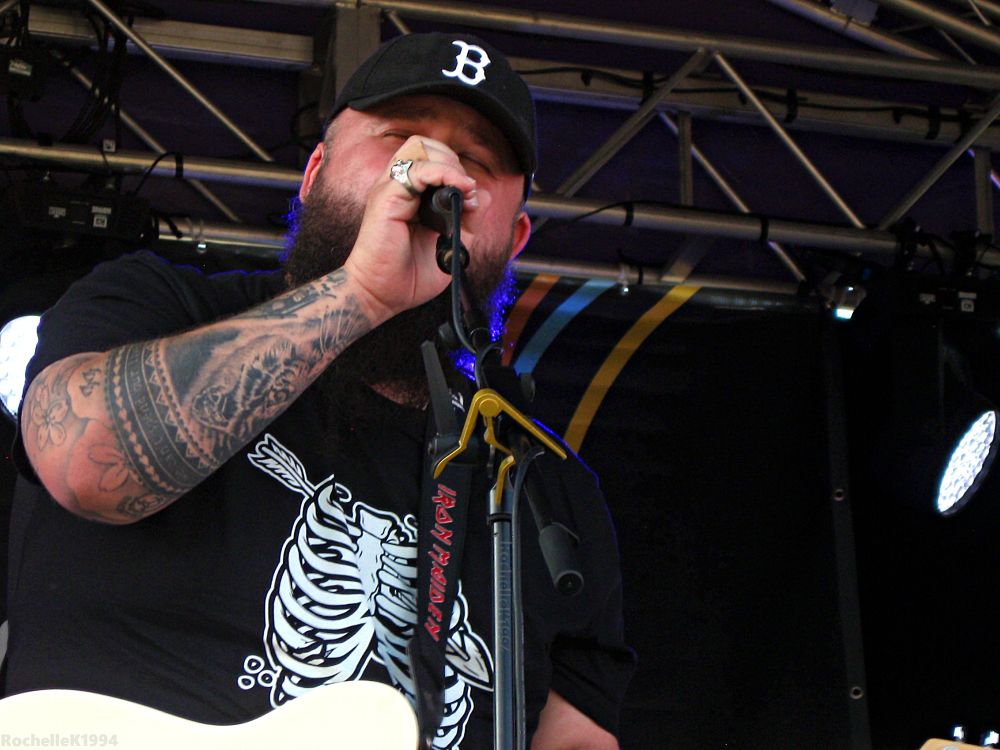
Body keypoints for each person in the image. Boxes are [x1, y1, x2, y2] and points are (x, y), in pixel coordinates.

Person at [5, 32, 635, 749]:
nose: (436, 174)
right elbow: (85, 463)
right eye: (399, 138)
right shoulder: (158, 305)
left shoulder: (548, 490)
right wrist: (362, 291)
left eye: (477, 163)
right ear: (314, 173)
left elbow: (575, 737)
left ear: (515, 236)